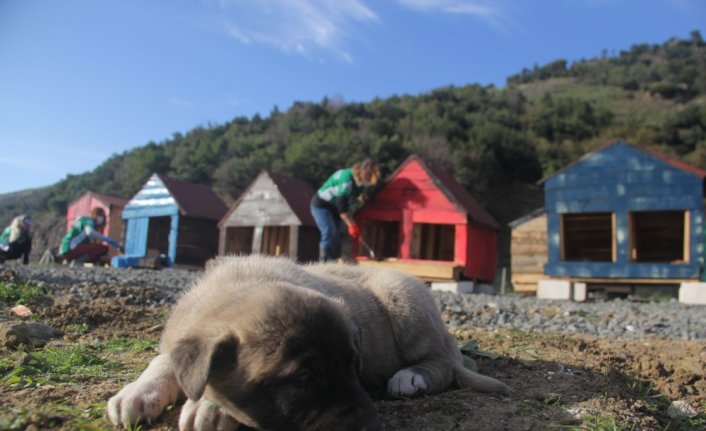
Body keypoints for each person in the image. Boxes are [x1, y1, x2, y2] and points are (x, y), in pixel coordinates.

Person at [310, 158, 380, 261]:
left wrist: (360, 196)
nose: (369, 181)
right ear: (363, 172)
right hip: (322, 205)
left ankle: (333, 262)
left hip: (334, 208)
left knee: (336, 236)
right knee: (329, 232)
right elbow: (342, 207)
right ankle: (323, 263)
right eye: (368, 178)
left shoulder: (359, 181)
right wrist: (352, 225)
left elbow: (354, 193)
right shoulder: (346, 179)